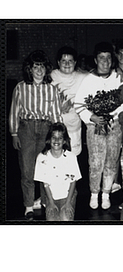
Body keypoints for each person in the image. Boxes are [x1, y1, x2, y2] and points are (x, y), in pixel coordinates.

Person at [9, 50, 62, 220]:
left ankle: (46, 202)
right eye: (35, 67)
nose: (39, 70)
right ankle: (29, 205)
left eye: (42, 67)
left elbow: (56, 114)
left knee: (46, 168)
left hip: (46, 129)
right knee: (27, 170)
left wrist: (59, 135)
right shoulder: (20, 87)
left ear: (46, 69)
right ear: (30, 69)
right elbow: (14, 112)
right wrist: (14, 133)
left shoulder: (52, 89)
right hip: (26, 130)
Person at [75, 42, 123, 210]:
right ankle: (94, 194)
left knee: (111, 161)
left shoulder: (118, 77)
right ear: (95, 60)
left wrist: (117, 115)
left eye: (108, 58)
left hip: (114, 125)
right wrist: (92, 117)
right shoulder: (88, 79)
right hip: (94, 126)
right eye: (101, 58)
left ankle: (106, 194)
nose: (105, 62)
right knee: (96, 162)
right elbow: (79, 104)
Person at [34, 122, 82, 221]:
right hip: (51, 196)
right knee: (52, 220)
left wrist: (68, 203)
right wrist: (50, 203)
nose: (56, 140)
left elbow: (73, 182)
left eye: (60, 138)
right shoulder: (42, 157)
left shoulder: (71, 157)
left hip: (68, 195)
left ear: (64, 141)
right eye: (53, 137)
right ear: (49, 139)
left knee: (65, 218)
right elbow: (45, 184)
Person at [51, 46, 87, 156]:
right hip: (55, 128)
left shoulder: (83, 76)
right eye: (63, 61)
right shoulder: (50, 76)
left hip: (74, 127)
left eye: (70, 61)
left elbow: (100, 74)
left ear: (75, 62)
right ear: (58, 62)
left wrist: (120, 70)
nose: (67, 64)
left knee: (73, 158)